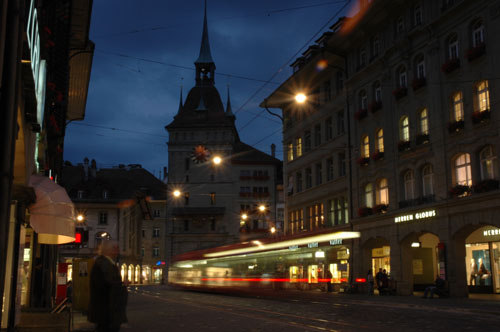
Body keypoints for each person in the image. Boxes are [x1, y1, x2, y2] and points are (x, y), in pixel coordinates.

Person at [88, 240, 128, 332]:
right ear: (109, 250)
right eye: (115, 248)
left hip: (106, 311)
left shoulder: (106, 263)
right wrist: (122, 284)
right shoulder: (104, 264)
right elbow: (107, 285)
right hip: (107, 311)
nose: (118, 251)